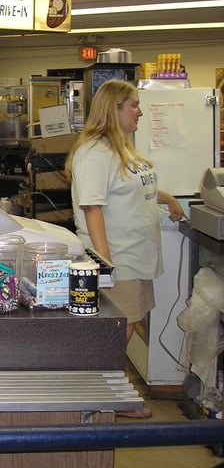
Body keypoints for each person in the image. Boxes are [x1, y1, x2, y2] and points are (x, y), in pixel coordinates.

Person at [65, 79, 185, 418]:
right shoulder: (95, 152)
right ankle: (105, 399)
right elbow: (92, 207)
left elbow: (131, 185)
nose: (140, 111)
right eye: (133, 104)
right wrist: (106, 265)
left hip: (137, 257)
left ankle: (107, 392)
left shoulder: (121, 147)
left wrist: (168, 198)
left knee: (125, 329)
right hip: (119, 259)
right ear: (113, 109)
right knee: (118, 332)